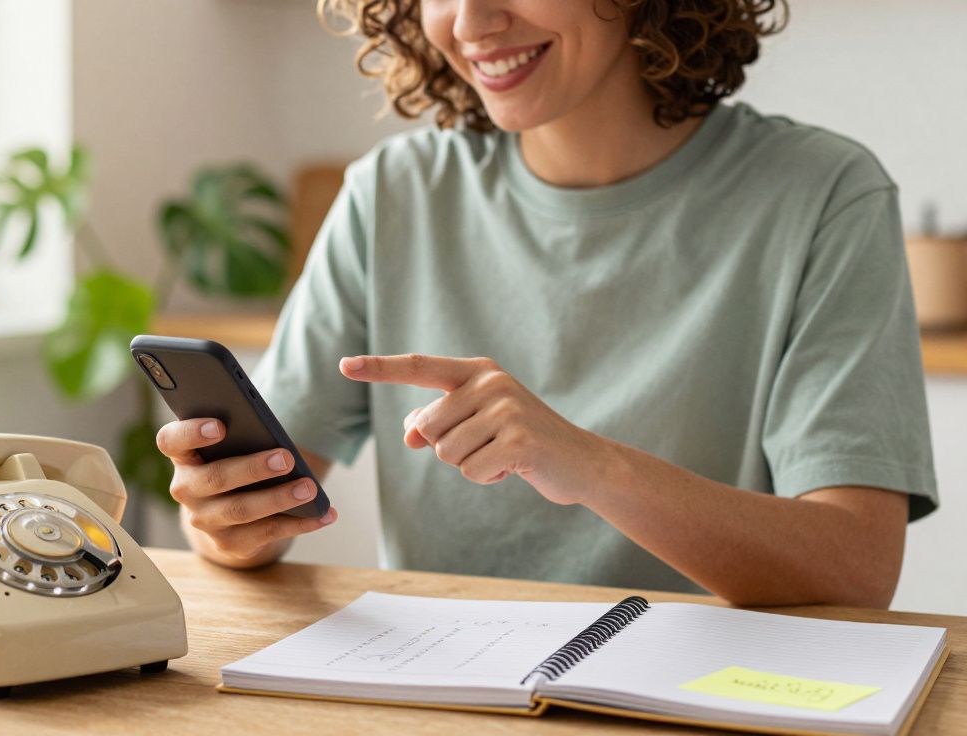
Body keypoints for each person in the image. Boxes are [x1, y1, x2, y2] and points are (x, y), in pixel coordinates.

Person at [154, 0, 938, 607]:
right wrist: (224, 522)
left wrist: (588, 464)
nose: (472, 23)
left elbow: (855, 568)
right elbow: (248, 510)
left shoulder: (824, 195)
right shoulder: (392, 195)